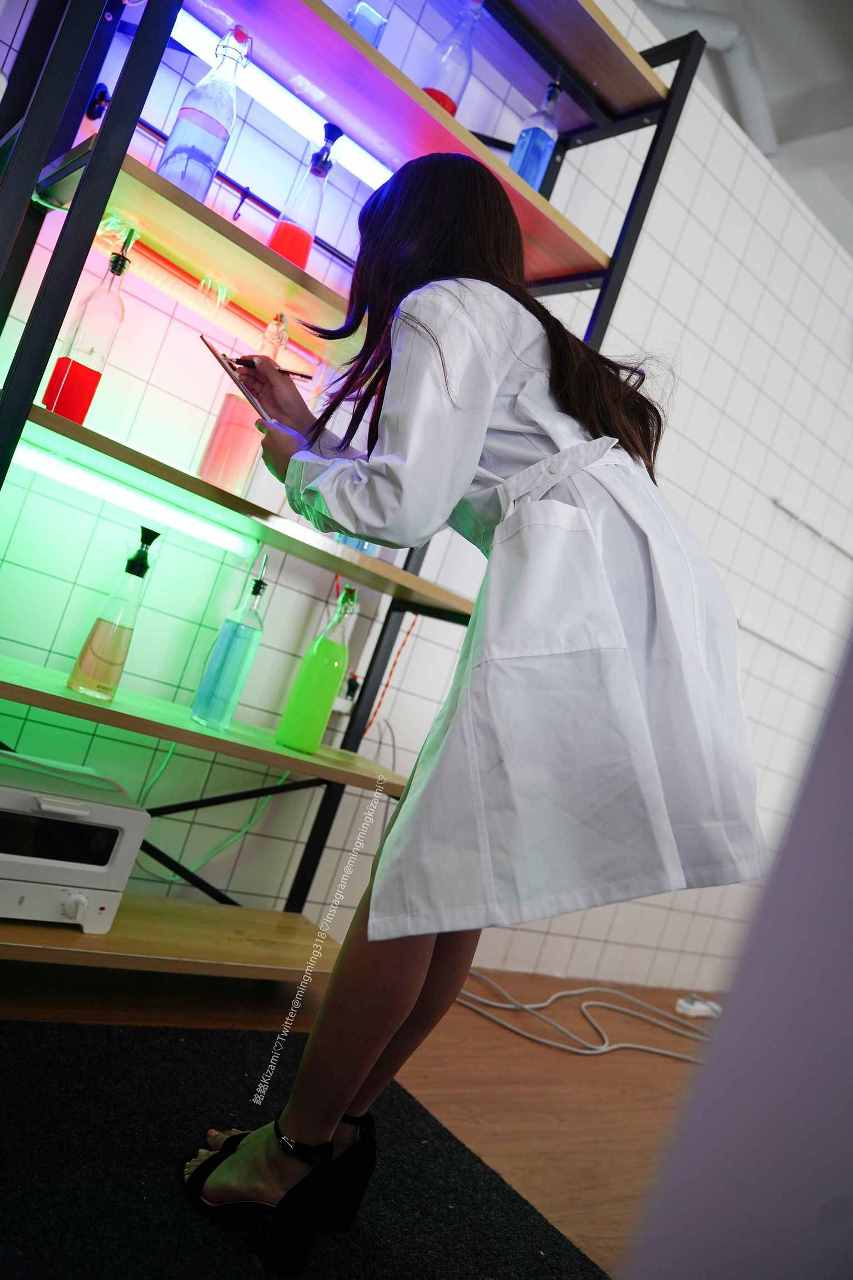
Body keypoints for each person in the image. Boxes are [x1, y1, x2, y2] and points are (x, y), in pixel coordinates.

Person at [183, 152, 770, 1269]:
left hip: (575, 593)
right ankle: (335, 1130)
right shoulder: (515, 323)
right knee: (451, 883)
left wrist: (296, 466)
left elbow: (403, 505)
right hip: (609, 585)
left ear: (402, 238)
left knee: (416, 887)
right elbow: (453, 486)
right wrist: (312, 436)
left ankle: (291, 1148)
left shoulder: (444, 305)